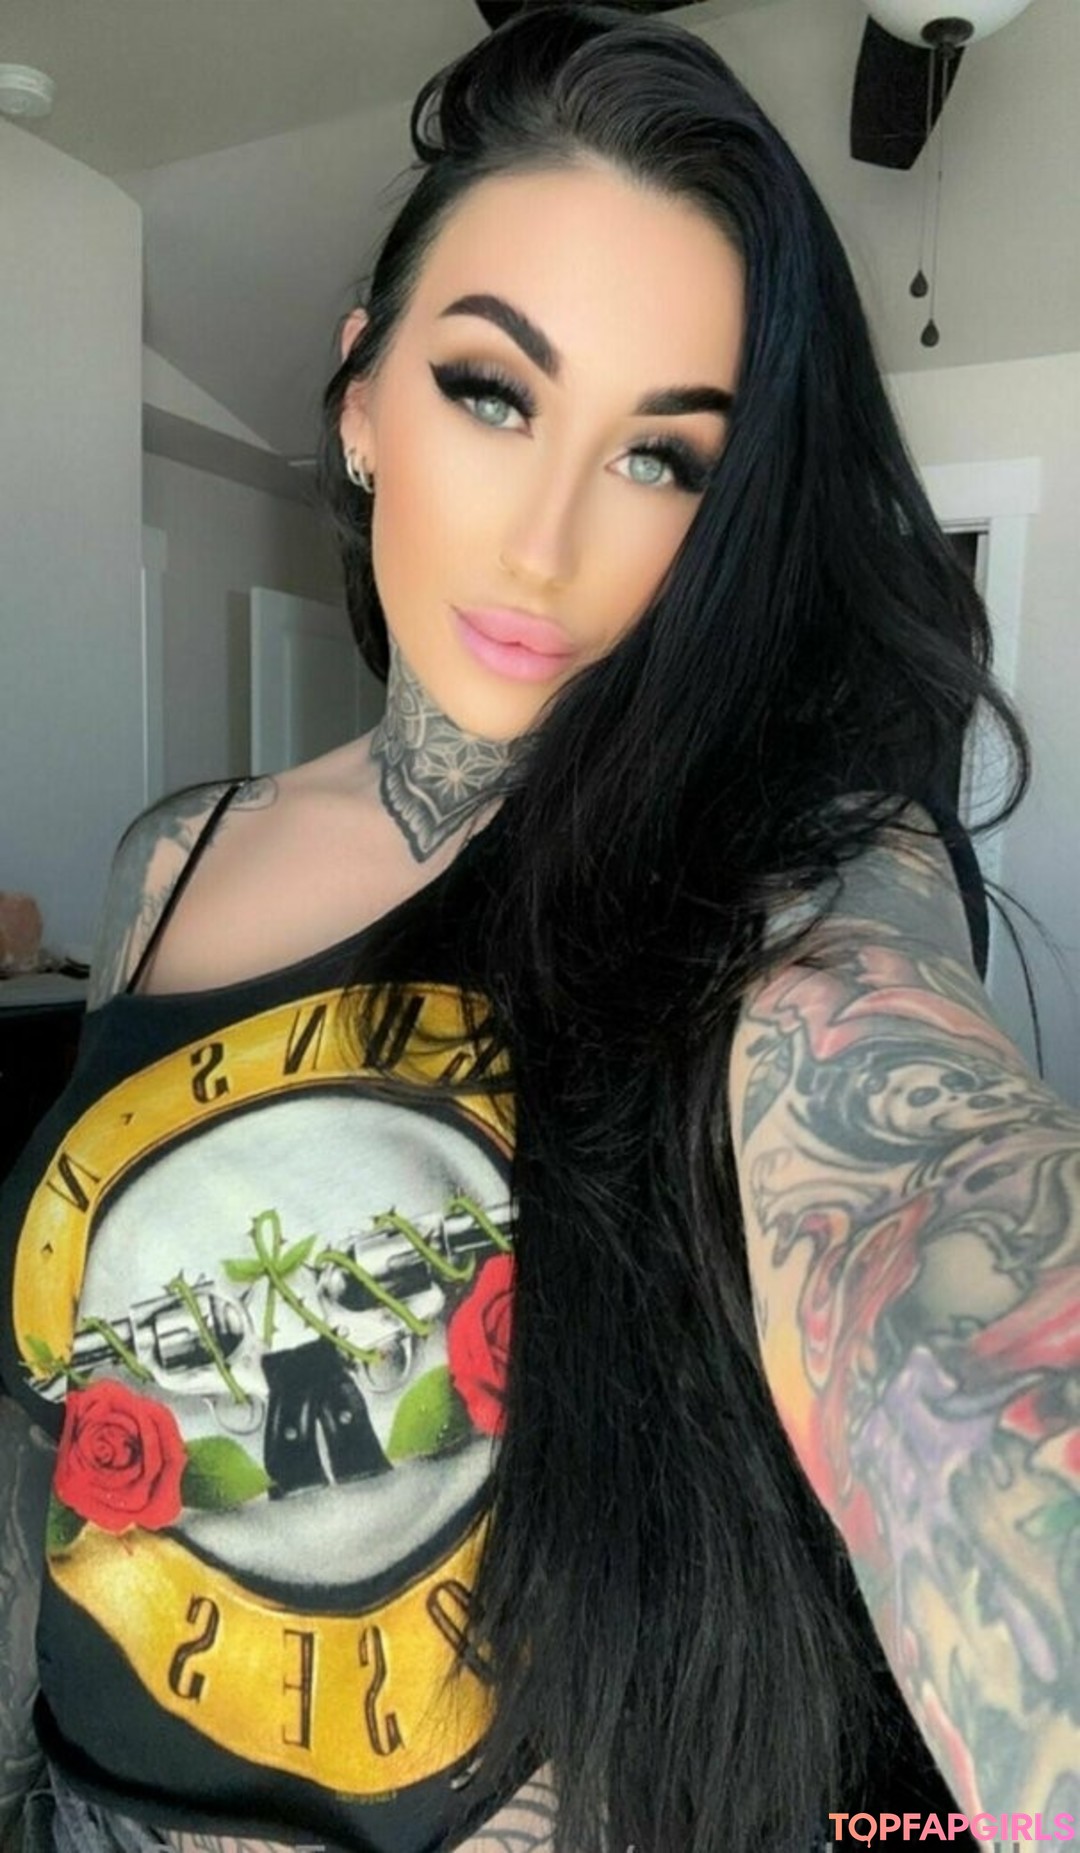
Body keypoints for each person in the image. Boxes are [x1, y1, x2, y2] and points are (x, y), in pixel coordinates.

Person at [1, 3, 1076, 1850]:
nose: (546, 541)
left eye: (663, 458)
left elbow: (928, 1208)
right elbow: (65, 1393)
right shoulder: (171, 859)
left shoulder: (792, 883)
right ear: (361, 394)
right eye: (492, 392)